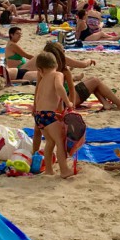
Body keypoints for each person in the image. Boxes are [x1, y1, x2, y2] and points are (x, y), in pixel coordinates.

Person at [32, 51, 75, 179]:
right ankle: (64, 170)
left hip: (39, 116)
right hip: (49, 115)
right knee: (60, 142)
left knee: (50, 142)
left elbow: (38, 98)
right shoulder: (58, 74)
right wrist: (68, 102)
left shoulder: (42, 79)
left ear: (40, 69)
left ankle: (49, 170)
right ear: (56, 64)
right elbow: (59, 88)